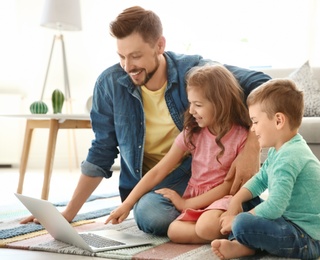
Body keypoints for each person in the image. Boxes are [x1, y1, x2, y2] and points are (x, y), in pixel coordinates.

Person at [21, 6, 271, 236]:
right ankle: (220, 214)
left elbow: (265, 84)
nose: (127, 66)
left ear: (159, 45)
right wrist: (67, 214)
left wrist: (252, 145)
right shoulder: (109, 84)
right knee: (150, 215)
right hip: (148, 182)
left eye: (136, 56)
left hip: (194, 173)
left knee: (160, 217)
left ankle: (232, 210)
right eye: (121, 56)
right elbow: (101, 151)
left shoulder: (193, 72)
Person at [105, 64, 260, 243]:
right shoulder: (193, 132)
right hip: (195, 199)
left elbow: (228, 187)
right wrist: (127, 204)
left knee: (205, 225)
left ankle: (233, 228)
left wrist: (186, 204)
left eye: (198, 105)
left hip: (223, 199)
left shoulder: (240, 136)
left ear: (220, 104)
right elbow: (158, 171)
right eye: (190, 103)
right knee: (174, 231)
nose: (192, 111)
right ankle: (231, 230)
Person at [211, 78, 320, 259]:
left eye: (255, 122)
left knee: (242, 223)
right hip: (288, 221)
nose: (253, 130)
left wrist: (237, 219)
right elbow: (262, 178)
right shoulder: (281, 149)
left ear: (278, 120)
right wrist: (236, 200)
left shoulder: (290, 156)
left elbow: (275, 207)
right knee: (245, 202)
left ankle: (245, 243)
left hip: (308, 239)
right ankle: (245, 243)